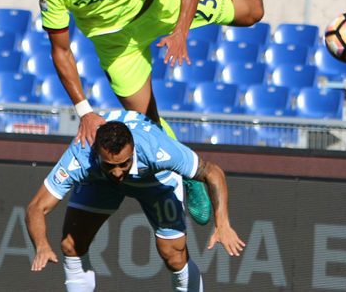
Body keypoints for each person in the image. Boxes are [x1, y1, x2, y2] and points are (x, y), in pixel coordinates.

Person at [38, 0, 288, 225]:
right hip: (117, 46)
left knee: (252, 11)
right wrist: (84, 110)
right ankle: (191, 174)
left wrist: (181, 31)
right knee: (149, 122)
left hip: (162, 6)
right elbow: (60, 50)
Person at [26, 111, 245, 291]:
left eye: (124, 163)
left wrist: (223, 224)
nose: (118, 172)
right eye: (110, 165)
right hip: (100, 183)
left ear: (133, 150)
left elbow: (213, 172)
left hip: (154, 181)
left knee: (174, 256)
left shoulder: (156, 148)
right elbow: (36, 207)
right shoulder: (80, 155)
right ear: (96, 154)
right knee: (71, 245)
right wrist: (42, 245)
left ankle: (188, 178)